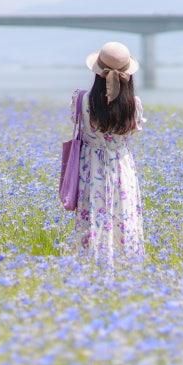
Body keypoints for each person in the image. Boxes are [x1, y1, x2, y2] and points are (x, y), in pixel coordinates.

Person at [67, 41, 147, 268]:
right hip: (121, 168)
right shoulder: (133, 104)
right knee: (123, 215)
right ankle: (126, 266)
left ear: (97, 73)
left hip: (91, 168)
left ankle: (92, 266)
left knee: (94, 214)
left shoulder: (81, 99)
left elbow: (77, 123)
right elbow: (133, 132)